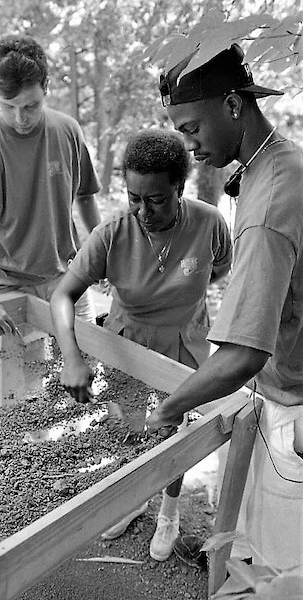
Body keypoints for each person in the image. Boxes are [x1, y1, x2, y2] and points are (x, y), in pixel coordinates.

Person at [146, 43, 303, 570]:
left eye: (191, 128)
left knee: (277, 565)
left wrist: (167, 410)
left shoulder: (270, 202)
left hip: (291, 407)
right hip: (283, 387)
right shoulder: (278, 163)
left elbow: (243, 354)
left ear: (234, 105)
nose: (187, 145)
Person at [50, 128, 232, 561]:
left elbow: (220, 271)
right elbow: (62, 295)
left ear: (179, 188)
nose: (142, 210)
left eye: (155, 199)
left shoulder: (209, 222)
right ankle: (132, 498)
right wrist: (72, 357)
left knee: (172, 433)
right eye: (134, 198)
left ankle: (167, 510)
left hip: (183, 343)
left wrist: (187, 298)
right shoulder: (113, 231)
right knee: (130, 428)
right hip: (127, 341)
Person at [0, 33, 101, 336]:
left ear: (46, 88)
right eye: (8, 106)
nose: (20, 118)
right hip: (9, 286)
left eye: (30, 106)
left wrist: (100, 251)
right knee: (22, 383)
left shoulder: (67, 131)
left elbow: (86, 197)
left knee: (85, 372)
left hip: (70, 276)